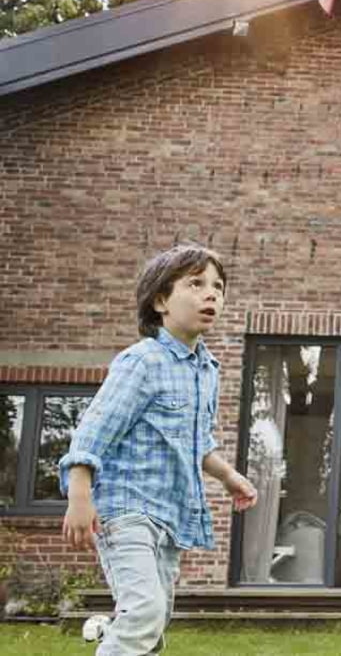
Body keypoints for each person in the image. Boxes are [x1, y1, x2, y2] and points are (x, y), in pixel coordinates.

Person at [60, 244, 258, 655]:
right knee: (145, 610)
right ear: (161, 301)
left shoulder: (207, 369)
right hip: (126, 510)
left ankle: (113, 636)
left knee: (154, 620)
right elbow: (94, 430)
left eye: (218, 288)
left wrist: (227, 475)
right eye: (196, 284)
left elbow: (194, 441)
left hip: (170, 515)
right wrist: (80, 496)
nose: (211, 295)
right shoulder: (142, 362)